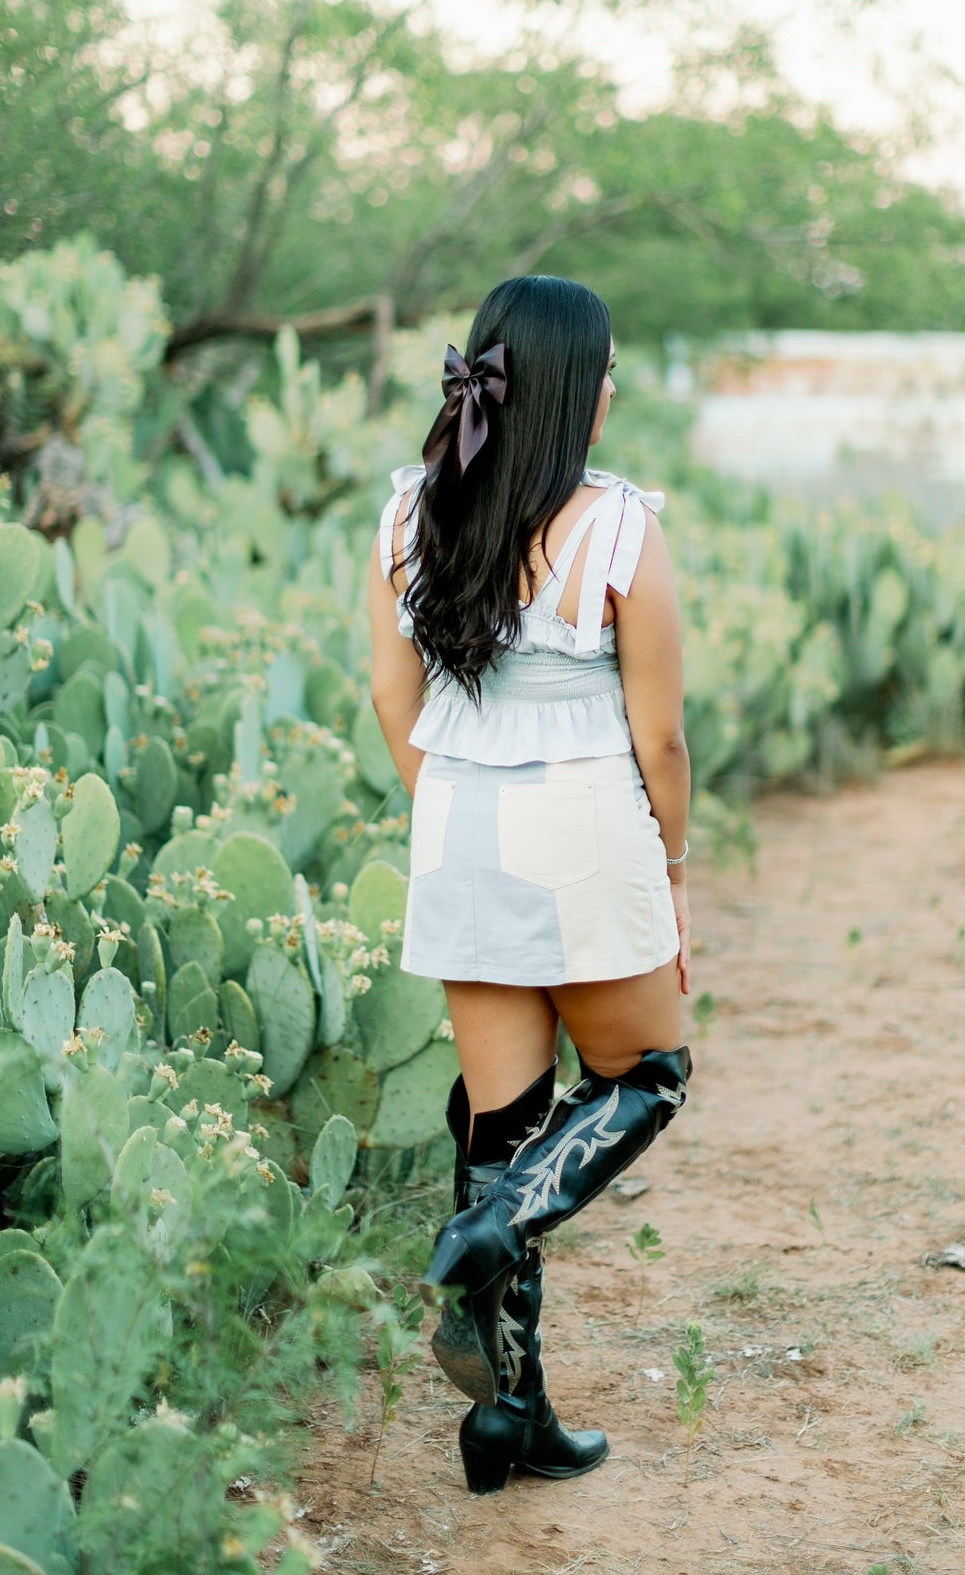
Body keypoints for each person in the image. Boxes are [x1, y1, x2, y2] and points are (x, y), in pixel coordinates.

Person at [369, 274, 692, 1495]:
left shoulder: (409, 511)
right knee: (647, 1077)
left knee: (502, 1128)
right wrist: (670, 871)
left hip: (458, 821)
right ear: (570, 390)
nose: (612, 388)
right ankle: (497, 1231)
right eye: (605, 369)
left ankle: (510, 1418)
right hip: (588, 831)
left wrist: (451, 809)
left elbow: (396, 699)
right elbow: (659, 742)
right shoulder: (617, 527)